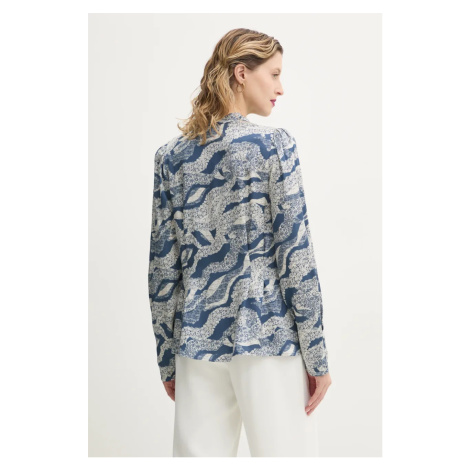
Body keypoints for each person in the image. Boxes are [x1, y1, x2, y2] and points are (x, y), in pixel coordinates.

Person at [148, 27, 332, 457]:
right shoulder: (274, 146)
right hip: (268, 338)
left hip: (196, 344)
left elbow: (162, 270)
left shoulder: (171, 157)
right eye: (275, 74)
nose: (281, 88)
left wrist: (168, 359)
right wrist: (317, 357)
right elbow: (296, 257)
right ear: (241, 73)